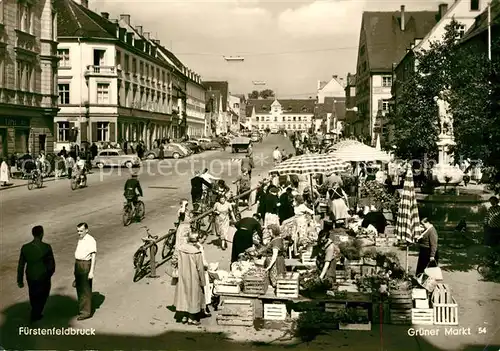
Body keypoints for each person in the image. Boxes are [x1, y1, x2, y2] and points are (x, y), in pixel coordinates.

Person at [17, 225, 55, 322]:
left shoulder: (25, 247)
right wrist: (49, 274)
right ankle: (36, 313)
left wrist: (20, 280)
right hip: (43, 276)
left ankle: (35, 311)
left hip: (30, 275)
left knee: (33, 294)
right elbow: (51, 264)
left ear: (32, 234)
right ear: (42, 234)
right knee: (44, 294)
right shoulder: (46, 247)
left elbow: (21, 265)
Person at [173, 230, 207, 325]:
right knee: (193, 296)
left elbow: (175, 261)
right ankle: (192, 319)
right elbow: (200, 268)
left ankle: (184, 316)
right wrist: (203, 281)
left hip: (183, 275)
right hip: (193, 277)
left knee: (184, 295)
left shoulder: (181, 249)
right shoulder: (196, 252)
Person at [73, 222, 97, 320]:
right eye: (78, 231)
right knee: (79, 288)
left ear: (86, 230)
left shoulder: (91, 240)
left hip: (85, 265)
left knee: (85, 289)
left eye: (81, 231)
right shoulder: (81, 239)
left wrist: (91, 271)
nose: (79, 233)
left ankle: (86, 312)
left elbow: (94, 256)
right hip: (78, 264)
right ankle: (82, 308)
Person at [315, 221, 340, 286]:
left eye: (323, 240)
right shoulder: (321, 241)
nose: (321, 241)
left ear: (327, 238)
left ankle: (330, 287)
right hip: (322, 260)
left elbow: (327, 264)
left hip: (330, 262)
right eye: (320, 239)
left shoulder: (330, 247)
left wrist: (321, 277)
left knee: (328, 278)